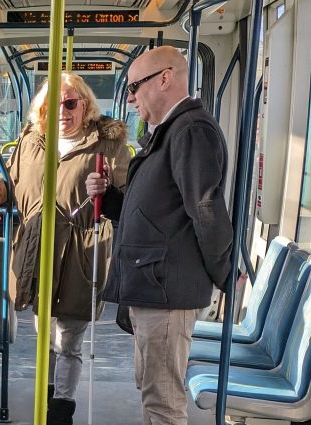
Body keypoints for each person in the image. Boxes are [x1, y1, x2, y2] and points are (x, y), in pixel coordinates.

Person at [85, 46, 233, 425]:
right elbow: (158, 210)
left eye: (135, 86)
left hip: (167, 289)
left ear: (165, 78)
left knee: (164, 402)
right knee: (153, 393)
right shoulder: (168, 132)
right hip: (154, 285)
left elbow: (205, 209)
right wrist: (112, 199)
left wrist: (226, 275)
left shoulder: (191, 131)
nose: (131, 98)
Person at [0, 72, 131, 425]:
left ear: (85, 105)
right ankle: (48, 397)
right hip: (36, 248)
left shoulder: (108, 145)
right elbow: (9, 178)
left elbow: (128, 199)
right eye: (52, 105)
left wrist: (106, 192)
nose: (61, 111)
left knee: (69, 340)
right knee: (45, 334)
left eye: (70, 103)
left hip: (81, 249)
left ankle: (62, 409)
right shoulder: (31, 140)